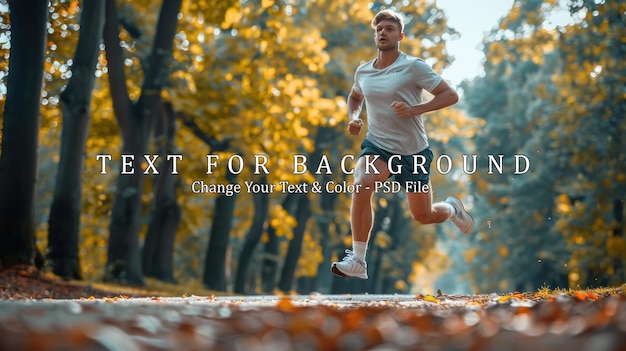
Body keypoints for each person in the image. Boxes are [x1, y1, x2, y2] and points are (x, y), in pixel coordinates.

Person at [331, 9, 474, 280]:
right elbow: (354, 97)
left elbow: (450, 95)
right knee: (361, 183)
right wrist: (353, 118)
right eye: (379, 29)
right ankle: (358, 260)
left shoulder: (413, 67)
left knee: (423, 215)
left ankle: (453, 209)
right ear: (375, 34)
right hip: (378, 146)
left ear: (400, 35)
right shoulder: (363, 71)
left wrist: (415, 109)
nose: (383, 32)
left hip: (413, 152)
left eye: (389, 29)